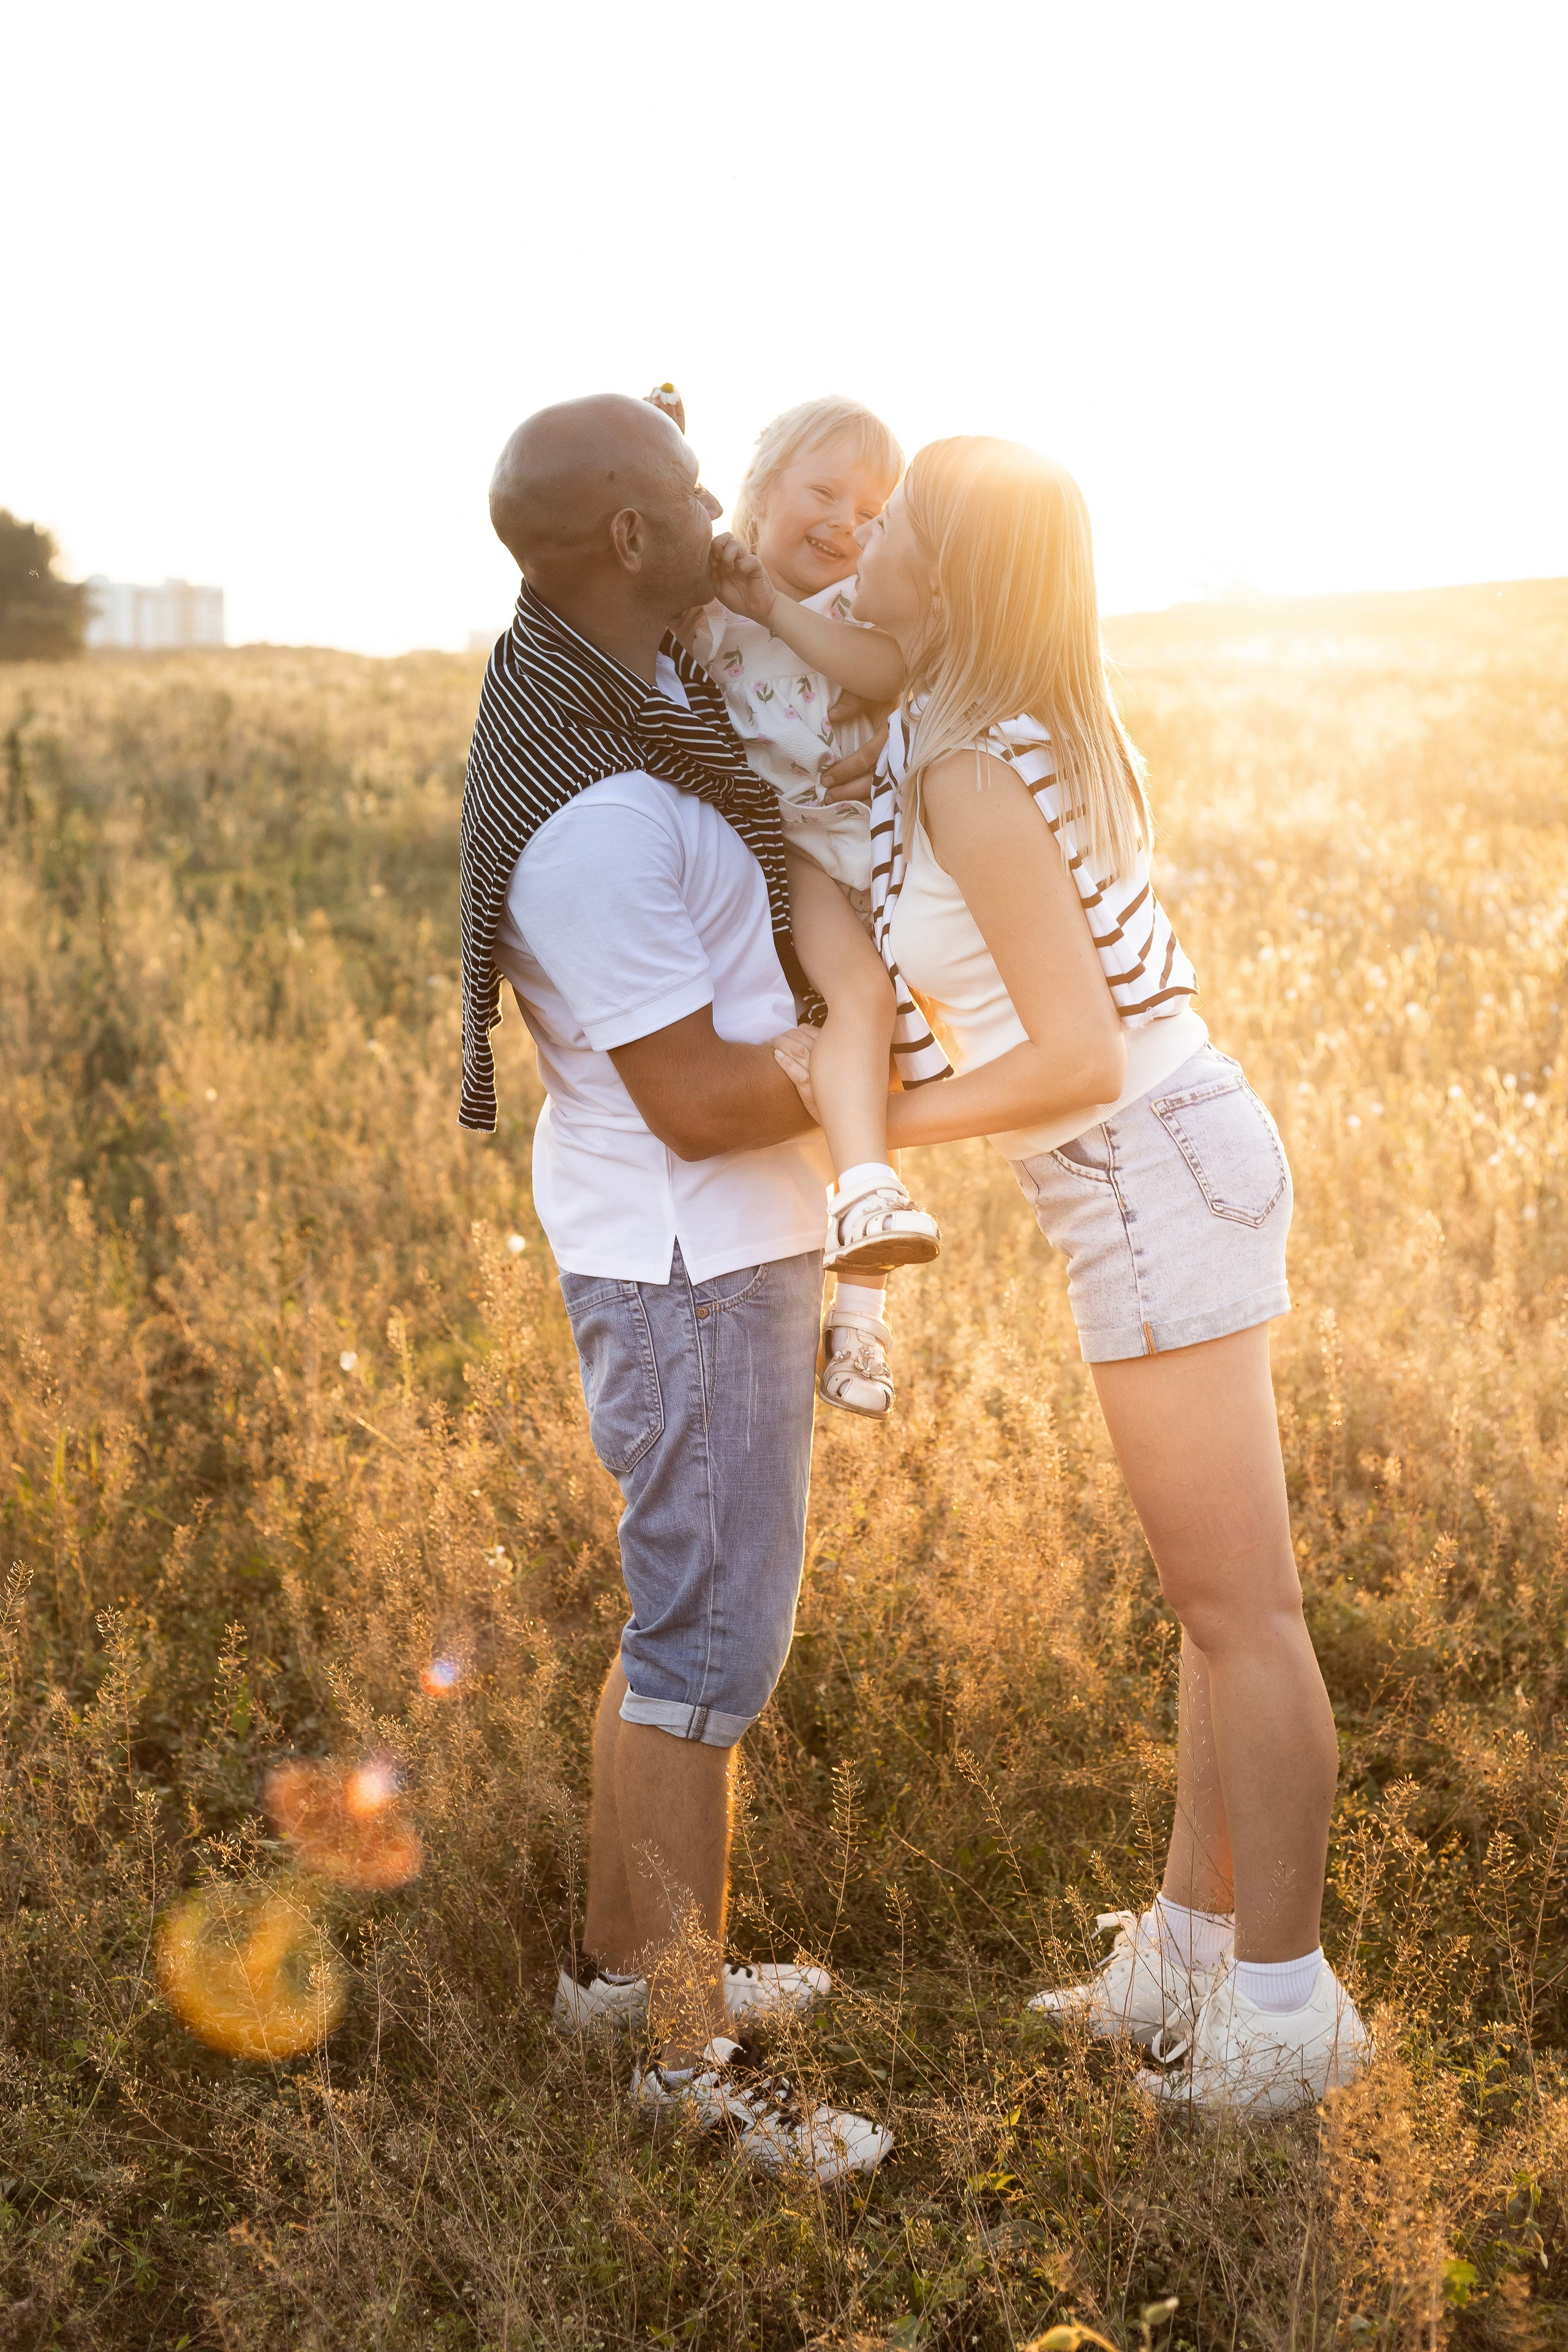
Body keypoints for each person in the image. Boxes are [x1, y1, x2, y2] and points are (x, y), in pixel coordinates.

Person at [766, 436, 1372, 2117]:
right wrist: (755, 583)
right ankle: (1190, 1942)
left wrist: (875, 1128)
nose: (865, 529)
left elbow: (1079, 1055)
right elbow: (857, 645)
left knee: (1245, 1617)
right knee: (1214, 1606)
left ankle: (1287, 2005)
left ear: (950, 582)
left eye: (897, 525)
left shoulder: (965, 766)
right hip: (1165, 1160)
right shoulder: (963, 704)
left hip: (1145, 1157)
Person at [458, 392, 891, 2179]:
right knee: (704, 1654)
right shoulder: (595, 816)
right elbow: (698, 1100)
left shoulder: (633, 705)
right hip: (695, 1261)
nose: (722, 512)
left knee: (678, 1633)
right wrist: (868, 1060)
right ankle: (682, 2067)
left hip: (703, 1252)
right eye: (692, 493)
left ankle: (624, 1975)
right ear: (626, 540)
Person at [661, 390, 943, 1421]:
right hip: (759, 850)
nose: (847, 522)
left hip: (842, 847)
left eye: (874, 510)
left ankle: (863, 1300)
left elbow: (891, 667)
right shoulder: (703, 594)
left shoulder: (857, 604)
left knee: (880, 1040)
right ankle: (863, 1205)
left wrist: (779, 613)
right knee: (848, 1028)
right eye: (823, 491)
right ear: (761, 490)